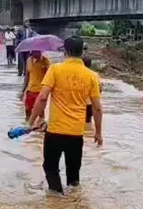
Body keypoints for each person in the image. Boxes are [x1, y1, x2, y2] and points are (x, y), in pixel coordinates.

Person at [27, 35, 103, 195]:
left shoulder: (55, 69)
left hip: (55, 131)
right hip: (76, 133)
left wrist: (31, 122)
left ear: (65, 51)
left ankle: (56, 200)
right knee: (74, 176)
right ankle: (73, 205)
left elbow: (42, 97)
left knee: (50, 167)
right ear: (81, 52)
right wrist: (98, 133)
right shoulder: (91, 75)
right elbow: (97, 108)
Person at [20, 50, 51, 118]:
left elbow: (50, 75)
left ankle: (40, 126)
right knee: (28, 111)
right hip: (30, 90)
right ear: (32, 52)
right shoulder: (29, 60)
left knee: (40, 113)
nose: (37, 53)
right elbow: (27, 76)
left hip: (40, 91)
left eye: (38, 51)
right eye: (35, 51)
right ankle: (28, 126)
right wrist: (23, 91)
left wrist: (45, 67)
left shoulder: (45, 61)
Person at [82, 56, 94, 123]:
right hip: (89, 104)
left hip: (79, 103)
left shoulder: (78, 74)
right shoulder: (94, 75)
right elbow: (99, 89)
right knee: (88, 123)